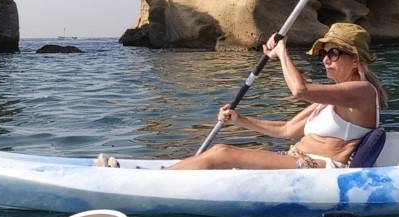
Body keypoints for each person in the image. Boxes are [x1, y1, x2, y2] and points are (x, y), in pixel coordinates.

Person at [152, 22, 386, 170]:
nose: (325, 59)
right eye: (324, 53)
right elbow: (285, 130)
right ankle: (168, 174)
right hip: (295, 158)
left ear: (355, 59)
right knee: (217, 152)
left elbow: (299, 90)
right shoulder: (332, 97)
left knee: (223, 152)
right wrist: (240, 120)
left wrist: (282, 51)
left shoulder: (363, 91)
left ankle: (158, 182)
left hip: (319, 170)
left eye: (334, 53)